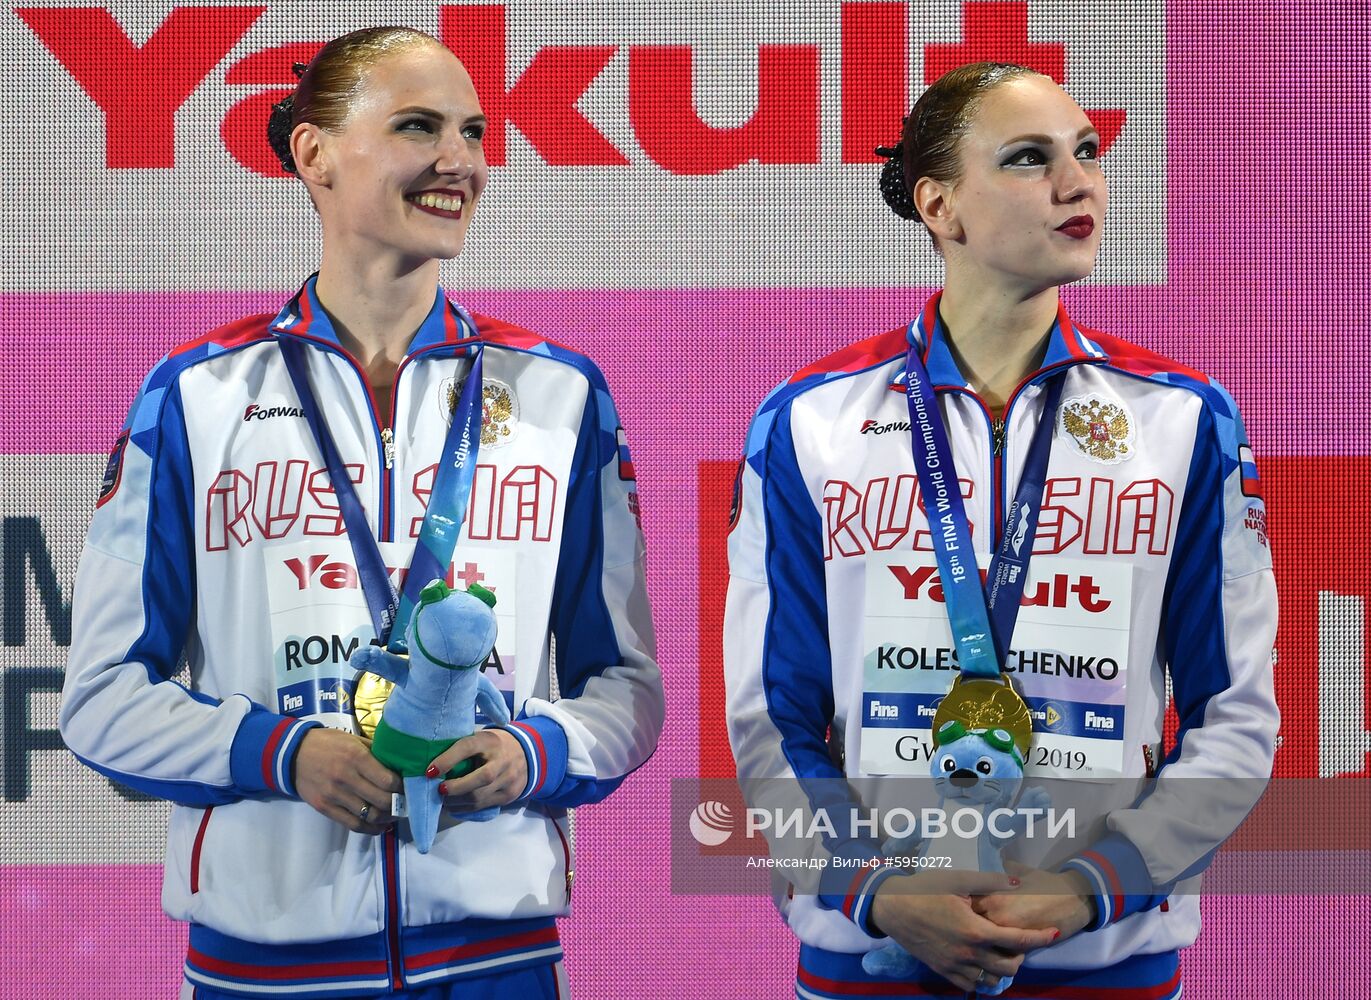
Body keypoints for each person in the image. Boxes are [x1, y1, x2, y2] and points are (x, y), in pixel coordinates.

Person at [60, 26, 663, 999]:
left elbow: (626, 687)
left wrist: (533, 751)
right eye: (418, 126)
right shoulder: (197, 395)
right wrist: (283, 753)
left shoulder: (560, 393)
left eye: (472, 131)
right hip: (263, 966)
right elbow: (100, 699)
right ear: (315, 153)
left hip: (498, 962)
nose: (458, 160)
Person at [723, 62, 1277, 998]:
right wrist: (875, 892)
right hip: (876, 953)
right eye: (1029, 159)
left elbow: (1233, 715)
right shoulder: (811, 419)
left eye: (1088, 152)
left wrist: (1091, 887)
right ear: (940, 206)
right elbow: (771, 716)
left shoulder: (1181, 420)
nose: (1078, 183)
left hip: (1102, 955)